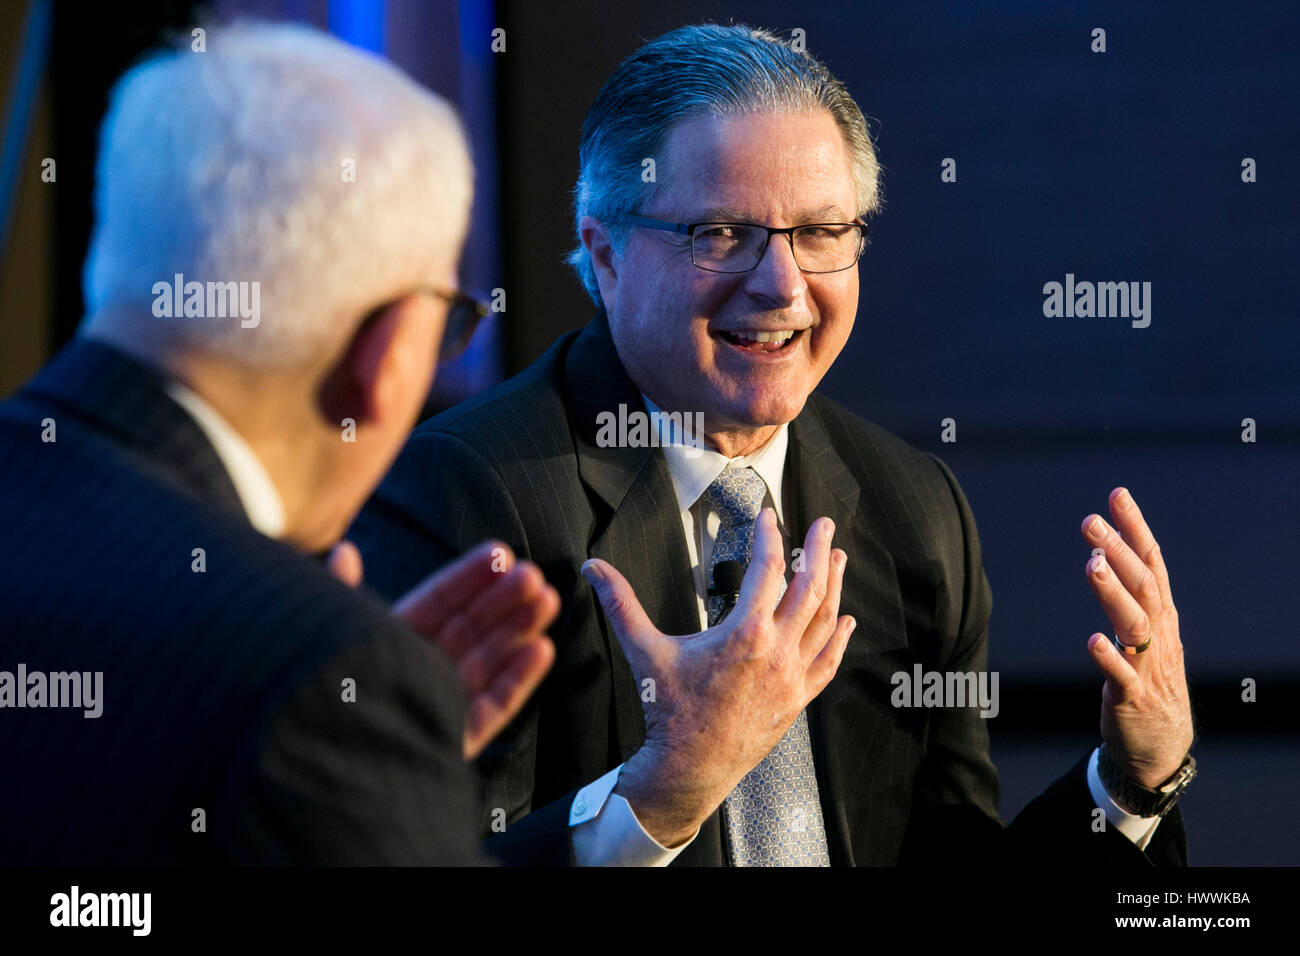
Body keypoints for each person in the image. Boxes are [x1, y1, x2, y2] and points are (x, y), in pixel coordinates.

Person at [350, 23, 1195, 866]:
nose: (783, 285)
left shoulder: (916, 510)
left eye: (823, 233)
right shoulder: (467, 490)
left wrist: (1128, 787)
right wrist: (665, 789)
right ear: (605, 255)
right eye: (720, 232)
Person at [0, 22, 557, 865]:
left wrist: (370, 777)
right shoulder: (310, 680)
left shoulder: (307, 681)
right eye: (450, 319)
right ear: (390, 353)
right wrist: (346, 738)